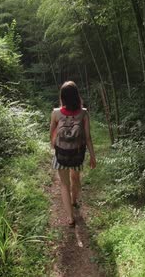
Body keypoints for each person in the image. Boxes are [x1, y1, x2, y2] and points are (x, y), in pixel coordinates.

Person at [50, 81, 96, 227]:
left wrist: (55, 146)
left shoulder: (56, 113)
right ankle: (74, 200)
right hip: (77, 155)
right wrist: (93, 156)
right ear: (77, 96)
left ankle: (70, 218)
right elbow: (88, 137)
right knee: (75, 178)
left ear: (62, 97)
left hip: (61, 155)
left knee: (64, 184)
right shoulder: (83, 113)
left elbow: (52, 133)